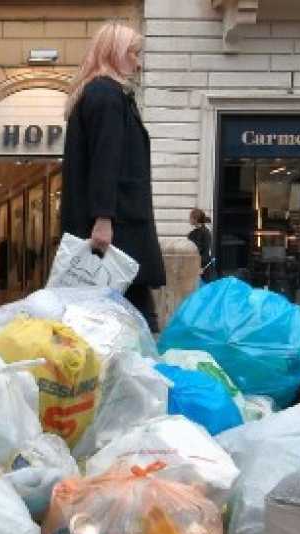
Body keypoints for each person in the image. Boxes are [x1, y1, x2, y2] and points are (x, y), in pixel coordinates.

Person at [60, 22, 166, 332]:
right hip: (118, 227)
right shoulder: (106, 95)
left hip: (118, 224)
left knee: (118, 317)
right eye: (133, 53)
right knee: (133, 320)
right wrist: (103, 218)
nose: (138, 62)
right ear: (114, 53)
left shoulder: (101, 93)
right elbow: (106, 161)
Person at [188, 207, 214, 281]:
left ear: (195, 219)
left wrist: (200, 267)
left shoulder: (205, 233)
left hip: (203, 267)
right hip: (195, 265)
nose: (189, 220)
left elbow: (205, 252)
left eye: (190, 218)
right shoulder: (192, 234)